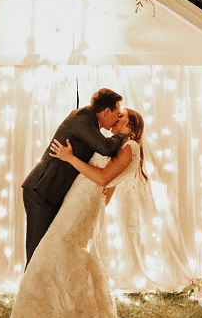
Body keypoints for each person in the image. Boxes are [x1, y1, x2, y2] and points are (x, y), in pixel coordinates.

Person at [6, 108, 147, 318]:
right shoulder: (114, 146)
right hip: (77, 202)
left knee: (55, 257)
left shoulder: (131, 148)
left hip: (81, 206)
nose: (115, 119)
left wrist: (70, 158)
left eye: (121, 117)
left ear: (132, 128)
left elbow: (104, 180)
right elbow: (107, 192)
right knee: (59, 260)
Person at [20, 88, 128, 265]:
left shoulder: (90, 122)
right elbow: (105, 147)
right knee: (38, 250)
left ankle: (44, 291)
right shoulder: (82, 118)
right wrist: (123, 133)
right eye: (116, 114)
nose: (117, 119)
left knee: (48, 249)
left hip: (52, 191)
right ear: (107, 111)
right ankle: (29, 292)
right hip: (42, 190)